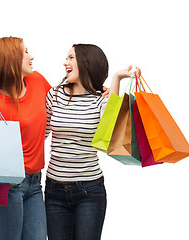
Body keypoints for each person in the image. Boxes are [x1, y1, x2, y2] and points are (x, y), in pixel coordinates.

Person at [45, 43, 140, 240]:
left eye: (71, 58)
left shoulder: (100, 99)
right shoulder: (54, 94)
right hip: (54, 190)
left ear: (87, 63)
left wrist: (117, 78)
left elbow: (110, 128)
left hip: (89, 190)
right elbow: (40, 133)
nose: (65, 62)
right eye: (66, 58)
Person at [0, 36, 51, 240]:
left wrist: (96, 91)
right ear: (11, 60)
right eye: (26, 52)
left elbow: (61, 105)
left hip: (35, 182)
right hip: (7, 186)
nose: (31, 56)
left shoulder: (38, 81)